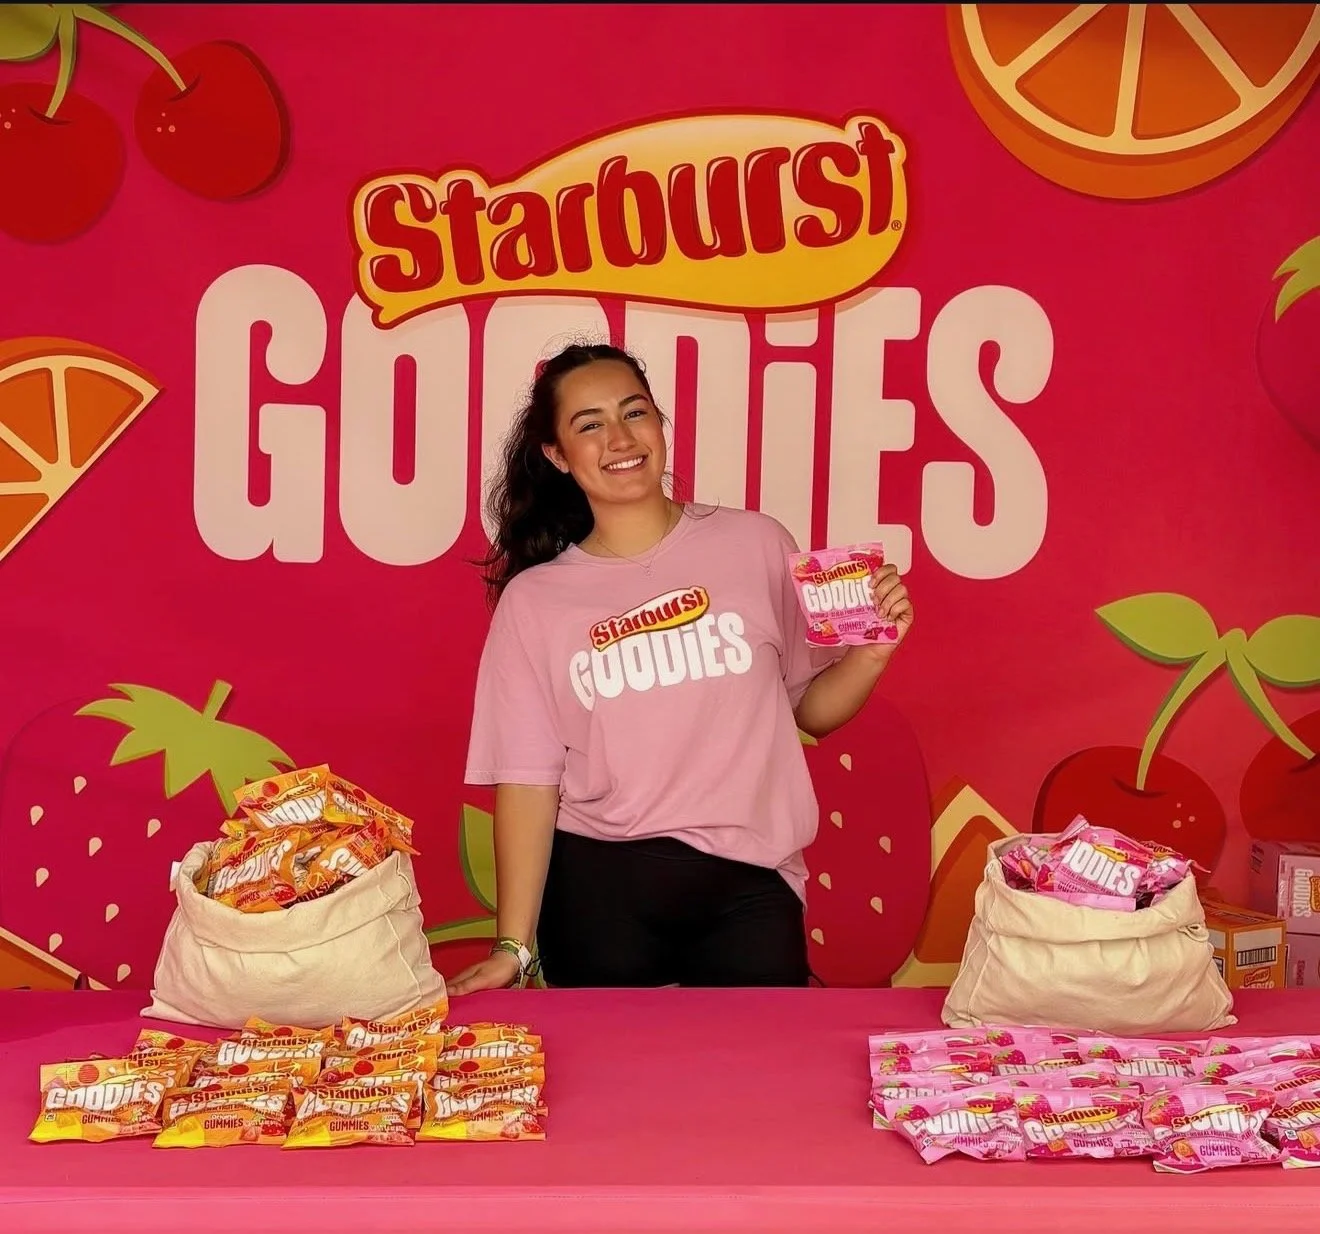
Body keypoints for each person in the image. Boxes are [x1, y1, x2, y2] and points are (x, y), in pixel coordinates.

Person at [448, 343, 913, 993]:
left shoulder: (757, 543)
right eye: (589, 424)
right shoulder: (536, 601)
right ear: (557, 456)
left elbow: (810, 710)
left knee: (753, 1090)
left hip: (750, 890)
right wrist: (512, 946)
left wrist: (869, 655)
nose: (619, 437)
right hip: (599, 895)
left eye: (634, 412)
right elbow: (528, 783)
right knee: (610, 1091)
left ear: (660, 425)